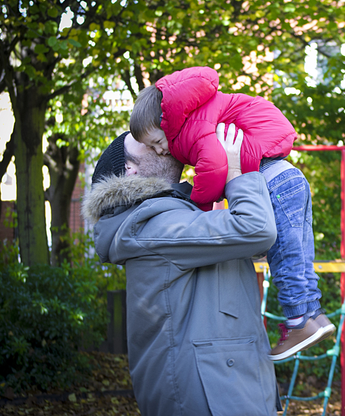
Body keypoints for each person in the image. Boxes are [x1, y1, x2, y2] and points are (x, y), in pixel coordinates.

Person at [129, 66, 335, 361]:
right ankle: (314, 314)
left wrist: (197, 206)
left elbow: (213, 167)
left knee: (284, 254)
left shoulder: (189, 129)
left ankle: (298, 321)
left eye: (158, 143)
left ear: (167, 122)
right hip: (289, 176)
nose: (161, 152)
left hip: (271, 180)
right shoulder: (203, 111)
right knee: (299, 249)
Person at [82, 125, 282, 416]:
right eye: (142, 142)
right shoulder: (152, 226)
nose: (158, 140)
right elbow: (255, 228)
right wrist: (237, 171)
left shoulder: (178, 216)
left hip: (229, 387)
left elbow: (254, 243)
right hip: (211, 396)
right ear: (129, 170)